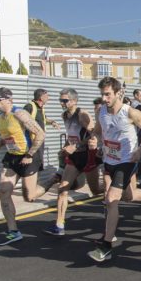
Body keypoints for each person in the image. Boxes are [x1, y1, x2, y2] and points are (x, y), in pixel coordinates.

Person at [86, 77, 141, 262]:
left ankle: (106, 245)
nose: (104, 98)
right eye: (102, 94)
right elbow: (97, 131)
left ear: (117, 93)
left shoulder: (129, 112)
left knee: (111, 198)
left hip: (127, 160)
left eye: (108, 94)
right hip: (109, 160)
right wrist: (93, 140)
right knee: (129, 196)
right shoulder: (102, 112)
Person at [0, 87, 47, 245]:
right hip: (12, 158)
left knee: (30, 196)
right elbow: (8, 136)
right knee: (4, 191)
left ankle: (53, 181)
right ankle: (13, 231)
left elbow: (40, 133)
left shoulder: (19, 114)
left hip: (28, 157)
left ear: (8, 99)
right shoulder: (0, 117)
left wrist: (29, 155)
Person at [42, 88, 104, 236]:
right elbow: (72, 136)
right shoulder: (64, 115)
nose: (62, 103)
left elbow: (95, 135)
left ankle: (112, 190)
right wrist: (66, 147)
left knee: (95, 190)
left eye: (65, 100)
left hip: (88, 156)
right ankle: (59, 225)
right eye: (60, 100)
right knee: (63, 188)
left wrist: (75, 145)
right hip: (74, 158)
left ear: (74, 101)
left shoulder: (82, 115)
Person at [23, 88, 61, 170]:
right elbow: (22, 121)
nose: (48, 97)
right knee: (31, 164)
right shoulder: (29, 107)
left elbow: (43, 119)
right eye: (47, 96)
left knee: (38, 163)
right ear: (41, 97)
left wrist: (52, 122)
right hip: (32, 141)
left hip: (39, 141)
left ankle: (34, 180)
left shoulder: (41, 108)